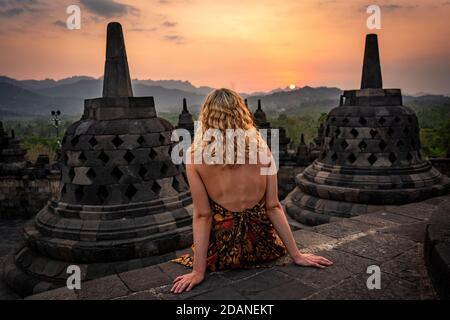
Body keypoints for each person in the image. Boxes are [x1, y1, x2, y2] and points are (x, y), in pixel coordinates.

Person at [171, 89, 332, 294]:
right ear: (242, 113)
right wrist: (296, 255)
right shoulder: (263, 150)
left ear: (206, 116)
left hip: (223, 252)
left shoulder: (194, 156)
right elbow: (273, 206)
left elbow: (203, 215)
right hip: (262, 247)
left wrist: (198, 271)